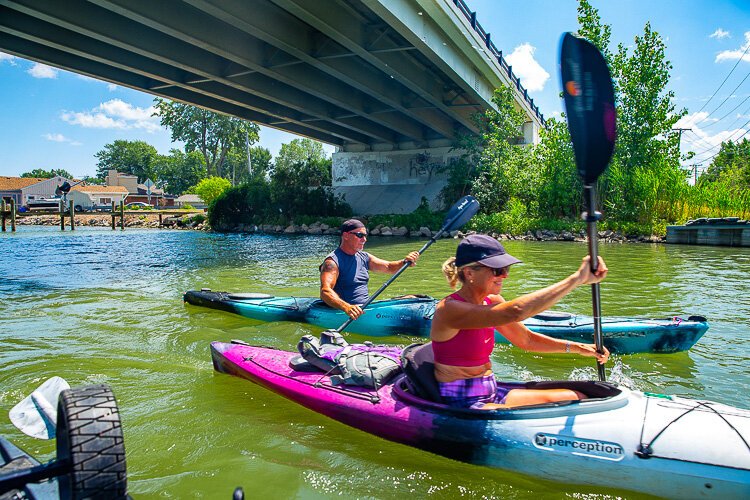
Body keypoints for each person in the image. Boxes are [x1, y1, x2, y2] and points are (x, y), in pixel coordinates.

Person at [430, 234, 610, 409]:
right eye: (497, 270)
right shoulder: (449, 309)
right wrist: (576, 279)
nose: (505, 276)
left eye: (506, 269)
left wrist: (579, 348)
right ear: (469, 273)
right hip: (462, 400)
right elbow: (516, 312)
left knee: (576, 398)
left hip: (491, 391)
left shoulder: (492, 301)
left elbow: (527, 340)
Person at [320, 219, 420, 320]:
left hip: (366, 308)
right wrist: (347, 307)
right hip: (348, 311)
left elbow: (389, 267)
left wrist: (405, 262)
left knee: (414, 298)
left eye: (365, 236)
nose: (364, 240)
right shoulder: (332, 262)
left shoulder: (364, 257)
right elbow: (325, 291)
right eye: (360, 235)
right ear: (346, 236)